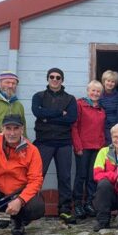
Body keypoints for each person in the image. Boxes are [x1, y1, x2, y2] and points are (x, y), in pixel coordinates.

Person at [31, 67, 78, 224]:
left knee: (64, 177)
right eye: (52, 77)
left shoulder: (70, 99)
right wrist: (59, 113)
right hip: (43, 142)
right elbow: (37, 112)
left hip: (64, 143)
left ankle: (64, 210)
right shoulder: (38, 96)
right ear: (48, 79)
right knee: (38, 175)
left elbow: (71, 118)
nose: (55, 79)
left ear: (62, 80)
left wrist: (48, 116)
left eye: (58, 77)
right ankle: (29, 207)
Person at [71, 80, 106, 221]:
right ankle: (78, 204)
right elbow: (74, 126)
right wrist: (77, 146)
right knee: (81, 176)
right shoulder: (80, 105)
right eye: (93, 90)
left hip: (97, 147)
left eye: (98, 91)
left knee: (93, 177)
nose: (95, 93)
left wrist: (103, 145)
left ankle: (89, 203)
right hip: (83, 147)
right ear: (88, 91)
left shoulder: (101, 109)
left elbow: (101, 129)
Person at [99, 70, 118, 145]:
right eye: (108, 81)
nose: (110, 83)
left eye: (112, 81)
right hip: (101, 127)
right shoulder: (98, 95)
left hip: (115, 127)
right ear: (104, 81)